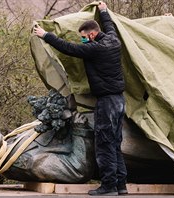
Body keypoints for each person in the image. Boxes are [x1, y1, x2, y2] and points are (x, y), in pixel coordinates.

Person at [34, 1, 128, 196]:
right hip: (119, 101)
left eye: (84, 37)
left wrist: (46, 35)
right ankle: (121, 186)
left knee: (103, 144)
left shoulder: (95, 48)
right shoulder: (113, 40)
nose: (83, 40)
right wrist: (103, 10)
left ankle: (109, 187)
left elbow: (68, 48)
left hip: (107, 103)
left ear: (92, 34)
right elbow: (109, 25)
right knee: (114, 143)